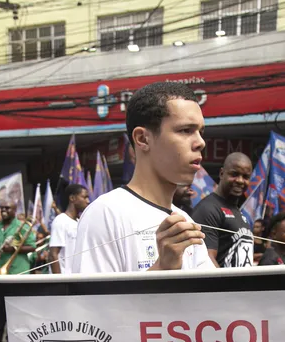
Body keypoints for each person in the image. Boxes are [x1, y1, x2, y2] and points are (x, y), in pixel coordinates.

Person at [72, 82, 214, 273]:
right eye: (185, 130)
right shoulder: (105, 214)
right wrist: (162, 267)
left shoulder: (186, 222)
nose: (200, 142)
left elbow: (207, 299)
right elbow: (90, 302)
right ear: (142, 139)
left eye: (200, 132)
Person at [0, 198, 36, 342]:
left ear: (15, 210)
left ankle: (14, 338)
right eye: (2, 208)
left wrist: (14, 248)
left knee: (16, 306)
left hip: (17, 271)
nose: (4, 211)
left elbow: (32, 247)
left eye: (7, 208)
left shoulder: (21, 226)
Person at [191, 152, 255, 268]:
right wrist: (225, 285)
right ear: (221, 174)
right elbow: (206, 260)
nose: (240, 181)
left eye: (245, 177)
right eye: (234, 174)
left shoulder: (237, 210)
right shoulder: (208, 209)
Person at [49, 183, 89, 274]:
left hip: (78, 277)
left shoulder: (80, 222)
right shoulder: (60, 221)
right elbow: (53, 255)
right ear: (72, 198)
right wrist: (59, 283)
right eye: (84, 197)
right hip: (65, 278)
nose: (88, 201)